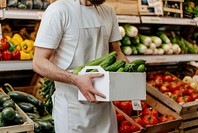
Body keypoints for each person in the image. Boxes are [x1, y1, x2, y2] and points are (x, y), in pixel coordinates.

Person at [32, 0, 129, 132]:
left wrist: (133, 77)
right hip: (72, 110)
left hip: (104, 108)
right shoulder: (58, 11)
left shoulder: (109, 11)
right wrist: (75, 79)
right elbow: (39, 62)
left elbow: (117, 52)